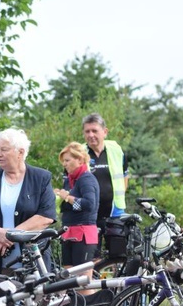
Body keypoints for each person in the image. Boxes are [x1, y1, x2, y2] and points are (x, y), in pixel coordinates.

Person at [0, 128, 57, 275]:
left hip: (34, 259)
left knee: (36, 297)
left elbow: (46, 216)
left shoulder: (41, 178)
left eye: (4, 150)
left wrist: (11, 235)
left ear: (21, 152)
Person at [82, 113, 129, 251]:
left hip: (115, 213)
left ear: (105, 132)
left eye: (94, 131)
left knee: (118, 254)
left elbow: (125, 175)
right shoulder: (79, 153)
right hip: (89, 215)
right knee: (92, 256)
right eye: (87, 131)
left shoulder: (116, 150)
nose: (91, 135)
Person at [54, 142, 100, 275]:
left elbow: (89, 205)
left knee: (83, 282)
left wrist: (68, 197)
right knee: (68, 279)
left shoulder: (87, 179)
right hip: (69, 232)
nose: (64, 164)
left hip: (83, 233)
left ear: (79, 160)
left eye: (67, 160)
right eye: (63, 161)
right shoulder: (70, 180)